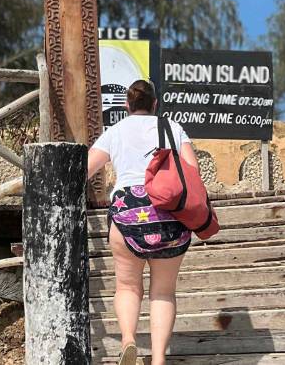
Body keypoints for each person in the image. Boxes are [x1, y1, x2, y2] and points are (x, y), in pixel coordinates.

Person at [87, 80, 198, 365]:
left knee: (127, 286)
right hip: (168, 214)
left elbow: (85, 169)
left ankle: (128, 340)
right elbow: (193, 170)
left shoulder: (115, 131)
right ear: (155, 104)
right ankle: (159, 359)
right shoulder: (171, 128)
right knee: (163, 291)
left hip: (127, 213)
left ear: (127, 105)